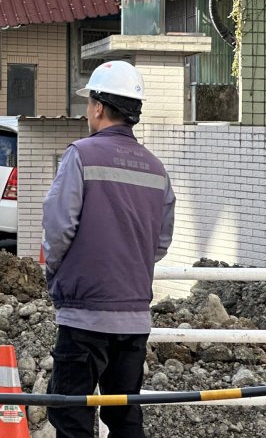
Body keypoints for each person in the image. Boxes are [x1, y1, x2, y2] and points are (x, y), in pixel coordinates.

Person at [43, 60, 176, 438]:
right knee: (125, 418)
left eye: (89, 104)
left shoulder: (81, 155)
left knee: (71, 417)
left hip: (84, 315)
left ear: (99, 107)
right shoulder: (156, 169)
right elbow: (160, 243)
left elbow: (58, 229)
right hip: (134, 318)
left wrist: (56, 274)